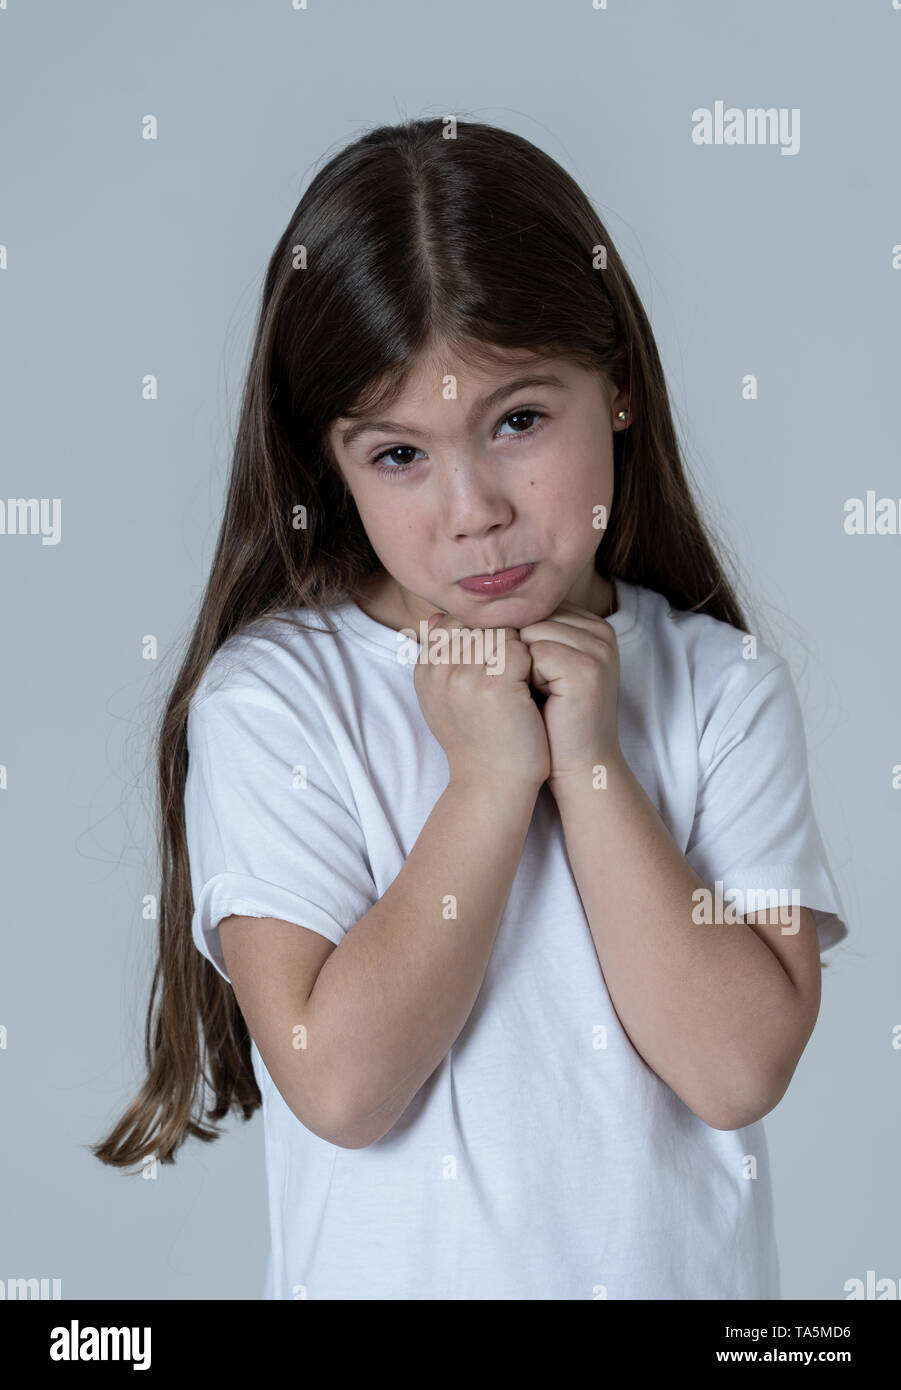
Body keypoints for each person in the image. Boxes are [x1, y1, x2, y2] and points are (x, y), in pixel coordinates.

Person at [94, 116, 847, 1300]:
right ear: (326, 468)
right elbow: (342, 1087)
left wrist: (592, 764)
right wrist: (493, 782)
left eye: (517, 422)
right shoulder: (278, 705)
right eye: (399, 456)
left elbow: (738, 1067)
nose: (474, 509)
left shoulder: (718, 688)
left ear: (618, 393)